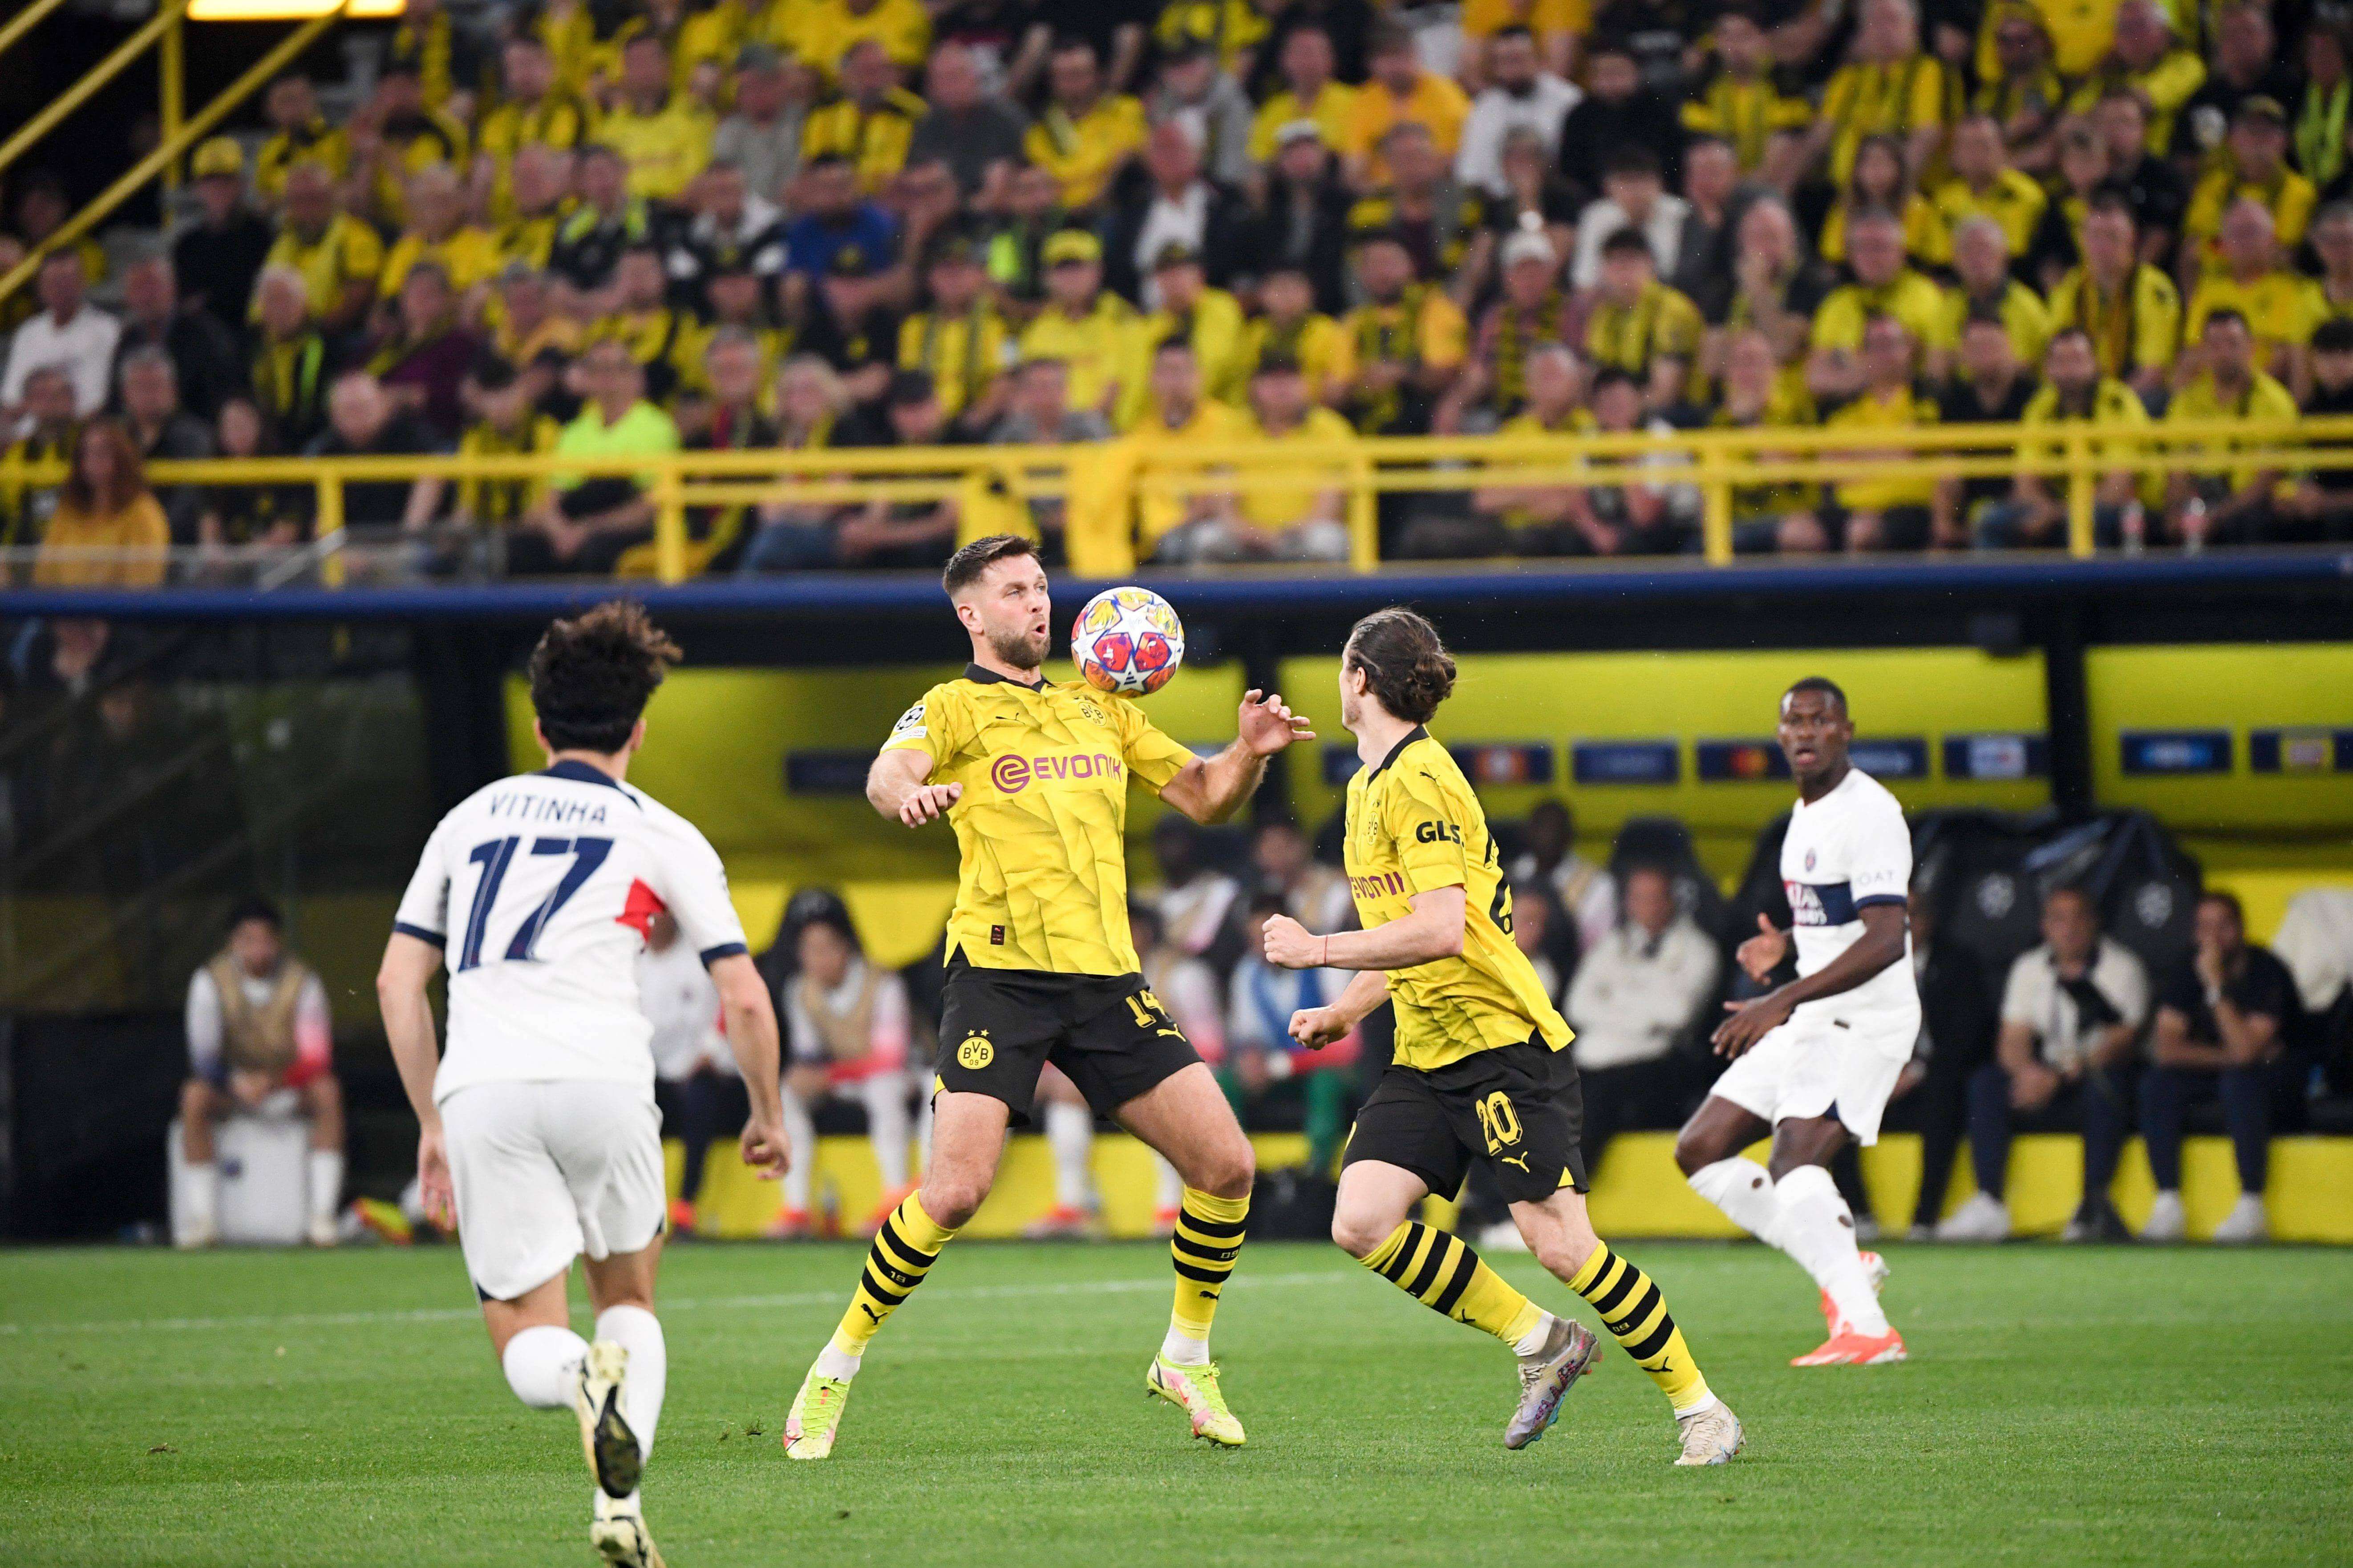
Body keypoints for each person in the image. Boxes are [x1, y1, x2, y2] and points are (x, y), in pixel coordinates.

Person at [782, 533, 1314, 1461]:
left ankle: (1185, 1356)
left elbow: (1205, 796)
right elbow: (889, 770)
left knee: (1228, 1168)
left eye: (1041, 587)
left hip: (1106, 980)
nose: (1038, 603)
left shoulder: (1099, 708)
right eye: (1016, 590)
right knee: (953, 1191)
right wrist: (903, 796)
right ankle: (836, 1364)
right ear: (971, 613)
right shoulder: (951, 706)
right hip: (1000, 977)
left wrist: (1250, 750)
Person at [1269, 607, 1741, 1464]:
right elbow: (1406, 927)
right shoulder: (1364, 785)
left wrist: (1316, 949)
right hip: (1425, 1050)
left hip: (1501, 1044)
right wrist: (1348, 1006)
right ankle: (1542, 1342)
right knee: (1361, 1218)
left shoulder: (1420, 779)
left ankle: (1701, 1406)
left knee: (1561, 1244)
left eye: (1342, 664)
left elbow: (1444, 927)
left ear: (1358, 679)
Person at [377, 604, 789, 1568]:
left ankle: (575, 1382)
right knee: (629, 1297)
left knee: (527, 1333)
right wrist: (766, 1113)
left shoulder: (467, 820)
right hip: (606, 1078)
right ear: (639, 728)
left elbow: (400, 982)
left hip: (485, 1086)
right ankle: (620, 1504)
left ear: (537, 724)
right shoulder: (663, 832)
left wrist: (430, 1118)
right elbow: (746, 997)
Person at [1674, 677, 1918, 1366]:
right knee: (1699, 1149)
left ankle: (1867, 1329)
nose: (1806, 732)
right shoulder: (1805, 814)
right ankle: (1840, 1259)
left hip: (1864, 1019)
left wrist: (1778, 998)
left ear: (1846, 731)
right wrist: (1783, 944)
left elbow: (1884, 939)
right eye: (1794, 722)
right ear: (1779, 735)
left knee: (1794, 1160)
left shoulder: (1869, 812)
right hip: (1815, 1014)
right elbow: (1839, 920)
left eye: (1821, 720)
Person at [177, 898, 342, 1249]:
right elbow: (202, 1055)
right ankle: (202, 1221)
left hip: (286, 1086)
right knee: (194, 1096)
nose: (257, 950)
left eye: (265, 939)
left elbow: (317, 1055)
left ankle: (322, 1217)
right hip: (231, 1088)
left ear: (278, 941)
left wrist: (275, 1082)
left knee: (328, 1092)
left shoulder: (303, 981)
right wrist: (235, 1083)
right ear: (232, 942)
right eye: (247, 940)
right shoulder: (209, 980)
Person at [2141, 891, 2300, 1244]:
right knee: (2158, 1083)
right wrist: (2228, 1056)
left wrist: (2215, 986)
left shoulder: (2266, 970)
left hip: (2278, 1081)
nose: (2212, 937)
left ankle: (2251, 1204)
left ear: (2240, 929)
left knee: (2240, 1081)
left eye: (2222, 926)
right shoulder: (2186, 967)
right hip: (2225, 1067)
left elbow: (2246, 1052)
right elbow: (2166, 1048)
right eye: (2203, 927)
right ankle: (2167, 1202)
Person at [778, 905, 922, 1238]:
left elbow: (891, 1057)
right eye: (810, 951)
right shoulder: (800, 990)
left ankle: (895, 1195)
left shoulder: (882, 982)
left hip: (902, 1076)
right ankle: (797, 1208)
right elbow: (809, 1054)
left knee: (883, 1089)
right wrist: (807, 1077)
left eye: (827, 948)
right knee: (786, 1093)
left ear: (846, 948)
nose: (820, 959)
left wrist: (829, 1076)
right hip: (845, 1078)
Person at [1564, 865, 1718, 1171]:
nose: (1646, 906)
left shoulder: (1699, 949)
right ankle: (1489, 1207)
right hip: (1595, 1060)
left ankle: (1552, 1203)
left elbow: (1678, 1014)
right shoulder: (1610, 946)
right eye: (1638, 897)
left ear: (1671, 900)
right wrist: (1644, 1013)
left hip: (1656, 1066)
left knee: (1593, 1101)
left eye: (1654, 897)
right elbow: (1577, 1006)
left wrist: (1614, 998)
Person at [1226, 890, 1358, 1175]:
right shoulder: (1247, 974)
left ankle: (1317, 1171)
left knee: (1325, 1084)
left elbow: (1350, 1047)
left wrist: (1283, 1064)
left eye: (1267, 941)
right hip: (1276, 1076)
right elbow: (1247, 1038)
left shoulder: (1327, 967)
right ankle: (1233, 1166)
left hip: (1328, 1072)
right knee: (1223, 1080)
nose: (1261, 951)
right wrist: (1249, 1062)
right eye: (1253, 942)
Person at [639, 908, 745, 1237]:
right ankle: (637, 1209)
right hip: (651, 1073)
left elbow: (729, 1010)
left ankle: (686, 1205)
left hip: (706, 1071)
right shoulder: (630, 961)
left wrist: (707, 1055)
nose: (653, 924)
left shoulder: (702, 957)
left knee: (701, 1098)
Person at [32, 418, 170, 590]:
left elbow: (143, 582)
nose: (92, 462)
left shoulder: (142, 511)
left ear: (122, 457)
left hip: (118, 611)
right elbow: (45, 573)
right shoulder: (69, 509)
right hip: (64, 610)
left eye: (102, 453)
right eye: (86, 453)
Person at [174, 137, 277, 337]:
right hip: (205, 340)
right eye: (210, 181)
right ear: (197, 189)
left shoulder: (260, 235)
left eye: (226, 180)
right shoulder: (187, 245)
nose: (218, 189)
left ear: (241, 185)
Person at [2, 252, 119, 419]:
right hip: (27, 435)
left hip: (78, 431)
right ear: (41, 287)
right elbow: (11, 399)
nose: (61, 289)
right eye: (54, 283)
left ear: (82, 282)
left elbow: (98, 401)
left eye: (67, 281)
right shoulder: (28, 332)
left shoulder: (107, 329)